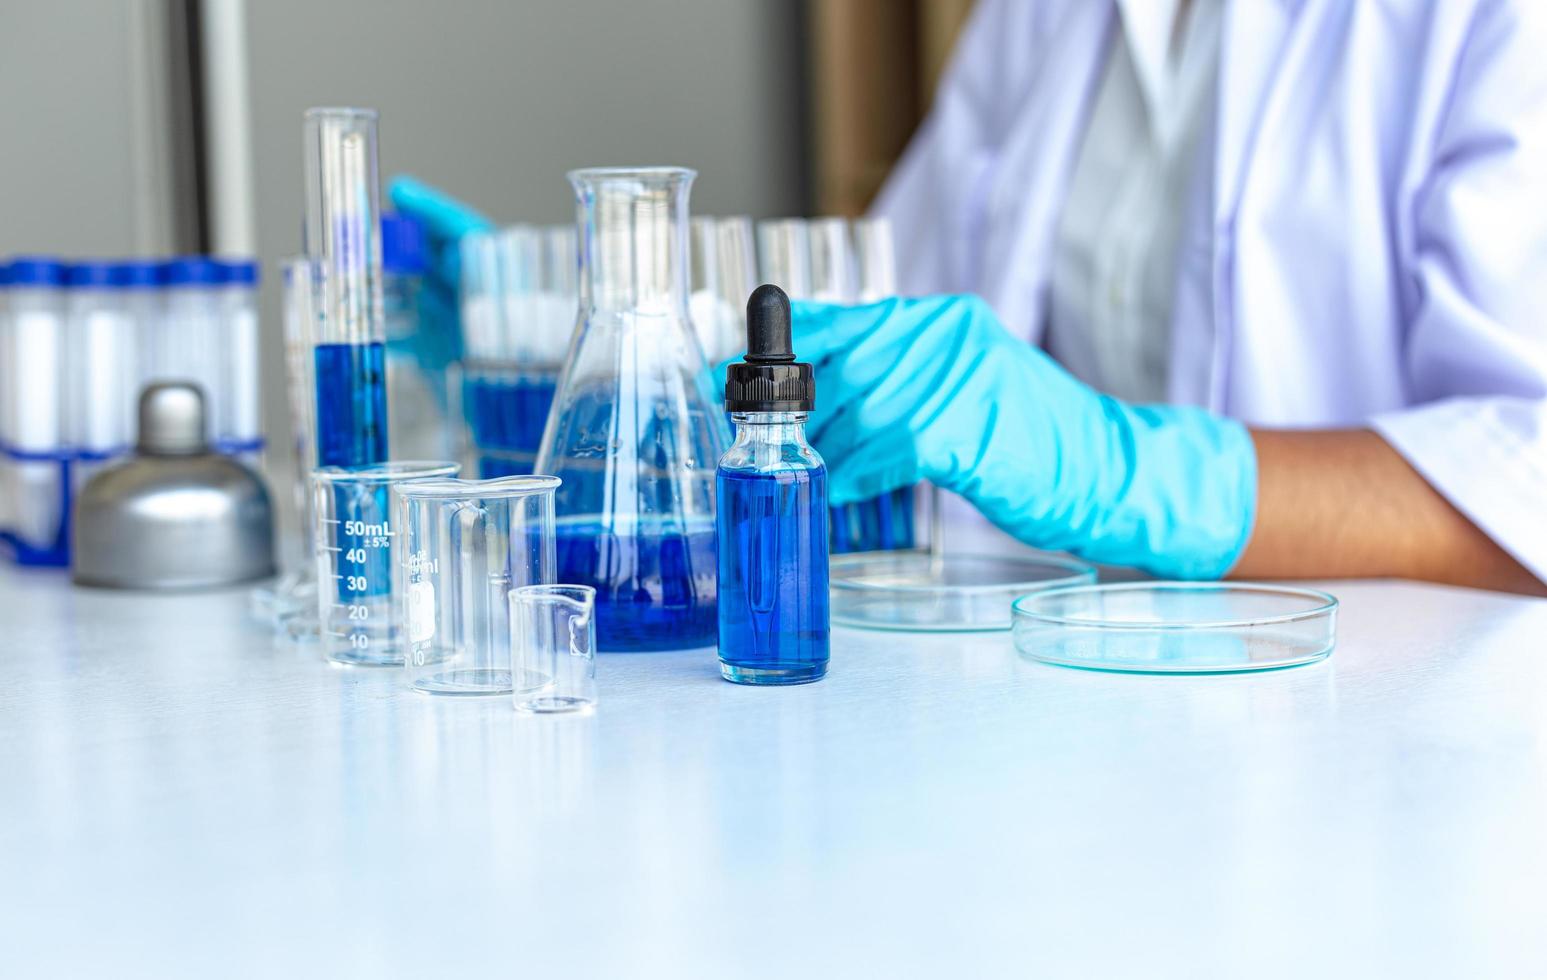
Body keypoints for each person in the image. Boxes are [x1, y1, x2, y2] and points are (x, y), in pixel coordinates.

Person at [395, 0, 1547, 595]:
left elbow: (1521, 478)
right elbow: (869, 321)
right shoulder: (1048, 16)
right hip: (1077, 680)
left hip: (1393, 740)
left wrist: (1124, 470)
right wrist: (564, 327)